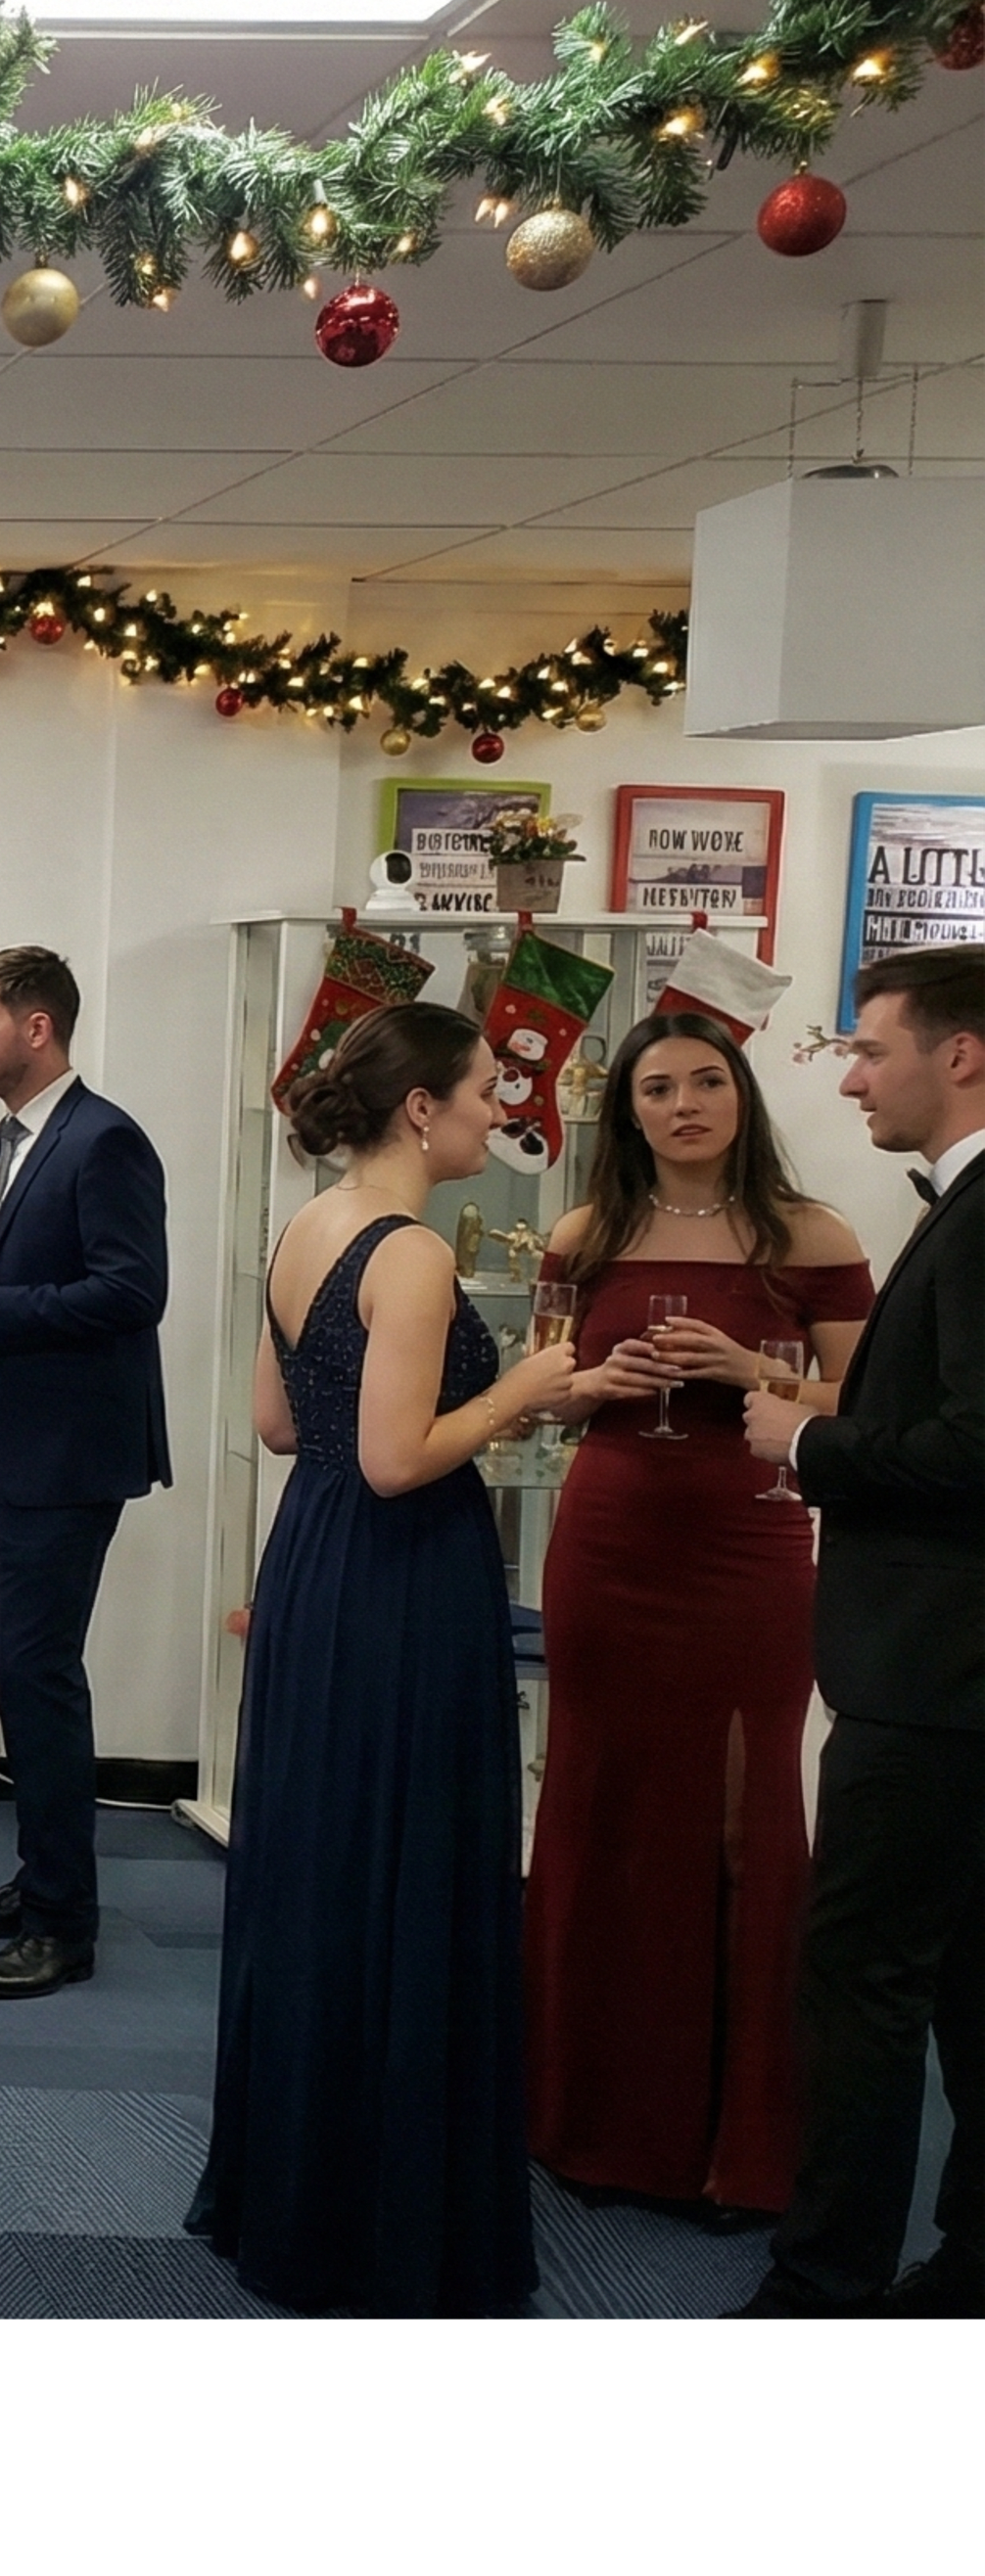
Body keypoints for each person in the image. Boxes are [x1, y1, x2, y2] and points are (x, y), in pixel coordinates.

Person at [190, 1003, 583, 2319]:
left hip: (314, 1569)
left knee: (321, 1867)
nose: (495, 1111)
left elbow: (275, 1419)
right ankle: (383, 2212)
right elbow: (395, 1454)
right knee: (404, 1867)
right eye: (481, 1089)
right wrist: (522, 1391)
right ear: (422, 1106)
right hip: (402, 1583)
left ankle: (293, 2187)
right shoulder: (408, 1251)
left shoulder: (303, 1225)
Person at [527, 1011, 871, 2224]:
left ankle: (735, 2140)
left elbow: (864, 1404)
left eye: (707, 1081)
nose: (685, 1104)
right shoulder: (585, 1233)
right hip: (610, 1538)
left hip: (749, 1544)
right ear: (626, 1110)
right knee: (601, 1798)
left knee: (741, 1813)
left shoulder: (811, 1232)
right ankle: (588, 2116)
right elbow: (541, 1394)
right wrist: (590, 1386)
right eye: (659, 1087)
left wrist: (751, 1369)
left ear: (742, 1095)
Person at [729, 943, 985, 2323]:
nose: (852, 1071)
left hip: (935, 1672)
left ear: (964, 1053)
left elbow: (974, 1445)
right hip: (946, 1671)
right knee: (963, 1984)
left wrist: (811, 1434)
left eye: (872, 1045)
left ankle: (824, 2281)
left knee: (867, 1983)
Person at [0, 946, 167, 1998]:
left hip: (64, 1459)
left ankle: (64, 1923)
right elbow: (43, 1277)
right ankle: (39, 1875)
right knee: (21, 1679)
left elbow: (131, 1291)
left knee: (43, 1681)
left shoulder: (106, 1140)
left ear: (37, 1028)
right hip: (0, 1447)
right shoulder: (13, 1139)